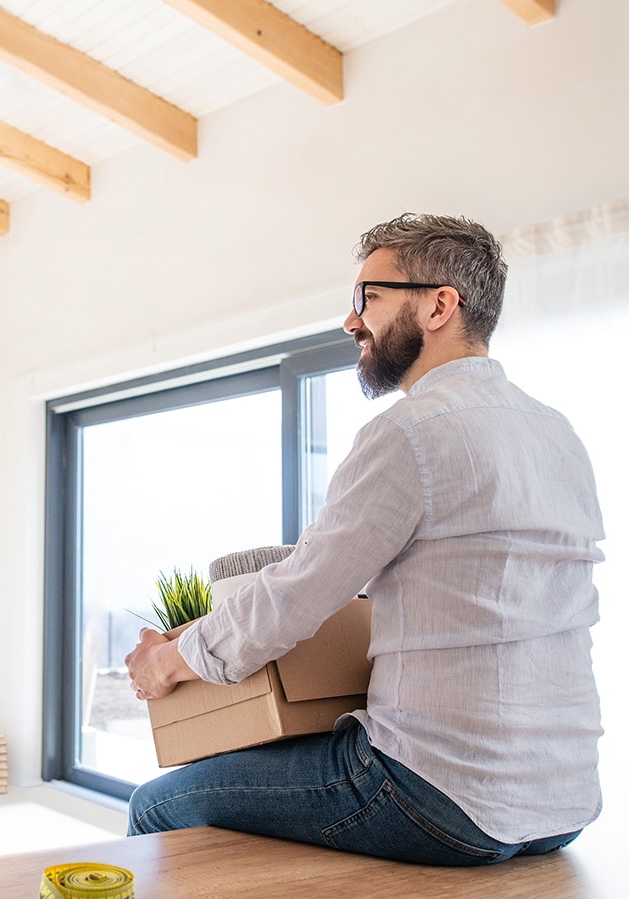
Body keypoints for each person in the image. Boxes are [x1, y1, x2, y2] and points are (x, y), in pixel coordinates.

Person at [122, 213, 605, 865]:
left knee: (153, 803)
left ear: (440, 305)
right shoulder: (558, 435)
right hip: (563, 806)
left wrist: (166, 664)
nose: (353, 321)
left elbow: (296, 596)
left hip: (435, 795)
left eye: (369, 297)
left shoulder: (411, 433)